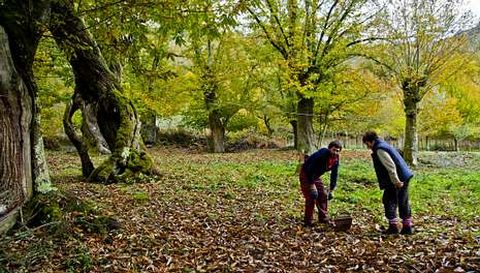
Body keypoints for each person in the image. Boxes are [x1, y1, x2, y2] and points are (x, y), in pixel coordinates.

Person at [362, 131, 414, 235]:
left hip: (397, 178)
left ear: (370, 141)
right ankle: (407, 227)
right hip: (403, 175)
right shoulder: (384, 145)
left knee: (389, 200)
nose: (367, 147)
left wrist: (396, 181)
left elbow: (390, 166)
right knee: (402, 201)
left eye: (367, 144)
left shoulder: (380, 149)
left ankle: (393, 227)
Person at [299, 140, 342, 227]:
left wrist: (332, 189)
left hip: (316, 176)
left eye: (338, 151)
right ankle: (308, 221)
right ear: (329, 148)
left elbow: (334, 174)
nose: (335, 152)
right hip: (306, 174)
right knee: (312, 195)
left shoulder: (336, 159)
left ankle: (323, 217)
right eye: (334, 150)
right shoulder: (322, 154)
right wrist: (311, 184)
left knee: (323, 194)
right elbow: (309, 169)